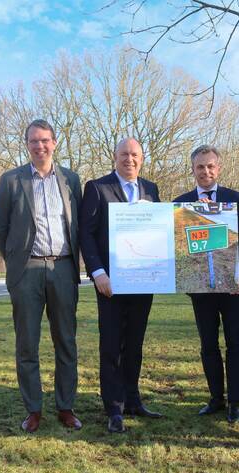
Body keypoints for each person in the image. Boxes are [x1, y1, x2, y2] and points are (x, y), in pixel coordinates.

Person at [0, 119, 83, 433]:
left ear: (54, 143)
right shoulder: (11, 181)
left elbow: (78, 225)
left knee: (66, 342)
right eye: (33, 141)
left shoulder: (72, 180)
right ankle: (33, 409)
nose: (39, 146)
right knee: (27, 344)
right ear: (27, 144)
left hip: (64, 268)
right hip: (26, 271)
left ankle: (66, 407)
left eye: (45, 140)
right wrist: (15, 261)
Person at [79, 137, 163, 433]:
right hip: (110, 283)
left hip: (143, 280)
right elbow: (86, 234)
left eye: (135, 154)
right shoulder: (97, 188)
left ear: (142, 158)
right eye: (124, 154)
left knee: (135, 344)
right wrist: (97, 272)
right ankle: (114, 408)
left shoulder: (151, 189)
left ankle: (133, 400)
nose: (130, 159)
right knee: (112, 345)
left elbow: (157, 232)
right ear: (115, 157)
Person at [174, 145, 239, 423]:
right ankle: (216, 397)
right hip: (200, 288)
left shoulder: (236, 199)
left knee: (236, 344)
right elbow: (177, 246)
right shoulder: (179, 204)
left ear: (218, 168)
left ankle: (235, 402)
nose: (205, 171)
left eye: (210, 166)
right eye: (200, 167)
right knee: (208, 344)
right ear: (192, 170)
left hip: (232, 286)